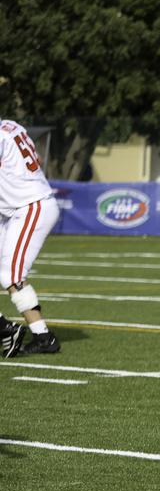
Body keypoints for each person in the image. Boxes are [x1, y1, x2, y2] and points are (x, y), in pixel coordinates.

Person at [0, 119, 61, 356]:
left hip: (29, 206)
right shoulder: (10, 126)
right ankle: (9, 329)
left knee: (11, 275)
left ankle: (42, 337)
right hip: (15, 208)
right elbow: (37, 159)